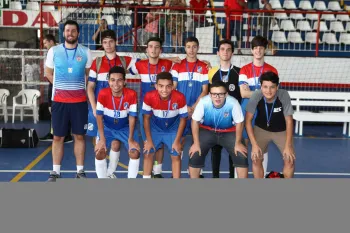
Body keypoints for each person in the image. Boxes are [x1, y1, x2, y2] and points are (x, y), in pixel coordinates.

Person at [45, 20, 93, 181]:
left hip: (79, 102)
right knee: (58, 137)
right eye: (67, 30)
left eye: (73, 30)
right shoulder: (54, 51)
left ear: (78, 33)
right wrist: (62, 87)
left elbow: (88, 75)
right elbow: (48, 73)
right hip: (59, 101)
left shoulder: (86, 52)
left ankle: (80, 171)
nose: (70, 33)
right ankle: (55, 171)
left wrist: (76, 89)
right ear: (63, 33)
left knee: (79, 136)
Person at [87, 30, 138, 178]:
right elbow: (90, 88)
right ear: (101, 44)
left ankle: (110, 173)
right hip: (100, 109)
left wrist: (172, 59)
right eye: (104, 42)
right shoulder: (96, 62)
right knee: (100, 143)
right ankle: (103, 173)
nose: (108, 45)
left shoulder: (124, 61)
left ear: (116, 42)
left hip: (119, 110)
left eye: (110, 41)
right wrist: (95, 107)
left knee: (116, 143)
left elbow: (150, 62)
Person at [129, 37, 177, 178]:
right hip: (145, 111)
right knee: (147, 143)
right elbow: (123, 67)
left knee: (160, 142)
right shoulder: (139, 65)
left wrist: (206, 63)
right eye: (151, 46)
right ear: (147, 49)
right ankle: (148, 175)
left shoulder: (168, 64)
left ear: (160, 50)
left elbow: (185, 62)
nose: (154, 49)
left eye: (157, 47)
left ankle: (157, 171)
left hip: (163, 110)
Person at [188, 81, 248, 178]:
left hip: (229, 132)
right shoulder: (203, 102)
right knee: (195, 153)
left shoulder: (233, 103)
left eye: (221, 94)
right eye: (214, 94)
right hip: (207, 130)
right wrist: (196, 143)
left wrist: (237, 143)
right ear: (209, 94)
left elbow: (240, 122)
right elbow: (195, 121)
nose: (217, 97)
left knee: (241, 154)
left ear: (226, 94)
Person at [239, 35, 278, 176]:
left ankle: (261, 177)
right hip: (247, 110)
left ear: (265, 50)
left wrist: (254, 92)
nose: (258, 51)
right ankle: (240, 177)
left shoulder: (272, 70)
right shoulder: (244, 70)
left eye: (261, 48)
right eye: (255, 48)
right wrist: (264, 92)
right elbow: (243, 93)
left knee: (263, 146)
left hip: (265, 112)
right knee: (243, 144)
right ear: (251, 50)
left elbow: (273, 93)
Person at [245, 71, 295, 178]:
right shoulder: (256, 95)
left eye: (272, 87)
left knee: (289, 160)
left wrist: (288, 145)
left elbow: (289, 121)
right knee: (256, 159)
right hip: (261, 129)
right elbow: (248, 120)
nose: (268, 91)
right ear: (261, 86)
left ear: (277, 87)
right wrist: (254, 145)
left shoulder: (284, 95)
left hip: (281, 131)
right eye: (265, 87)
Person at [171, 36, 209, 177]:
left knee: (197, 141)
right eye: (188, 46)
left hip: (198, 110)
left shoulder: (204, 67)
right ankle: (177, 173)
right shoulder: (177, 66)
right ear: (185, 48)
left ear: (198, 48)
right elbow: (173, 88)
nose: (191, 50)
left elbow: (205, 90)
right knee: (179, 141)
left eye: (194, 46)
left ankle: (196, 172)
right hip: (180, 110)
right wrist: (184, 107)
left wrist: (194, 107)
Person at [94, 66, 140, 178]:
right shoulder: (102, 94)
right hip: (107, 127)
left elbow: (132, 117)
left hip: (125, 128)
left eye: (119, 80)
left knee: (134, 153)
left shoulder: (132, 94)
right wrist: (102, 138)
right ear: (108, 81)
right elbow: (99, 116)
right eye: (113, 80)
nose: (116, 83)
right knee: (100, 152)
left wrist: (130, 140)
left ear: (125, 81)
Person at [142, 72, 188, 178]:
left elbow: (183, 119)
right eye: (161, 86)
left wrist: (177, 141)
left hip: (172, 129)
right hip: (155, 128)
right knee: (148, 153)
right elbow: (146, 119)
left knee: (176, 154)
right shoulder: (149, 96)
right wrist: (148, 140)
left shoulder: (180, 97)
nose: (164, 90)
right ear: (156, 86)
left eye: (168, 86)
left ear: (172, 87)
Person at [208, 39, 242, 178]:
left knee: (232, 151)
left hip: (233, 120)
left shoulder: (239, 72)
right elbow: (207, 94)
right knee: (215, 151)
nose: (225, 52)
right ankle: (215, 178)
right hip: (216, 118)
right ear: (218, 53)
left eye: (228, 49)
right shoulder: (211, 72)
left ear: (232, 53)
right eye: (222, 49)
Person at [40, 34, 73, 143]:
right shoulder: (51, 53)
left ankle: (67, 134)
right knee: (52, 109)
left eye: (45, 43)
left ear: (51, 41)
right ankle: (53, 133)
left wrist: (59, 83)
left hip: (60, 86)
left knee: (65, 109)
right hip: (53, 84)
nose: (44, 45)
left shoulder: (60, 52)